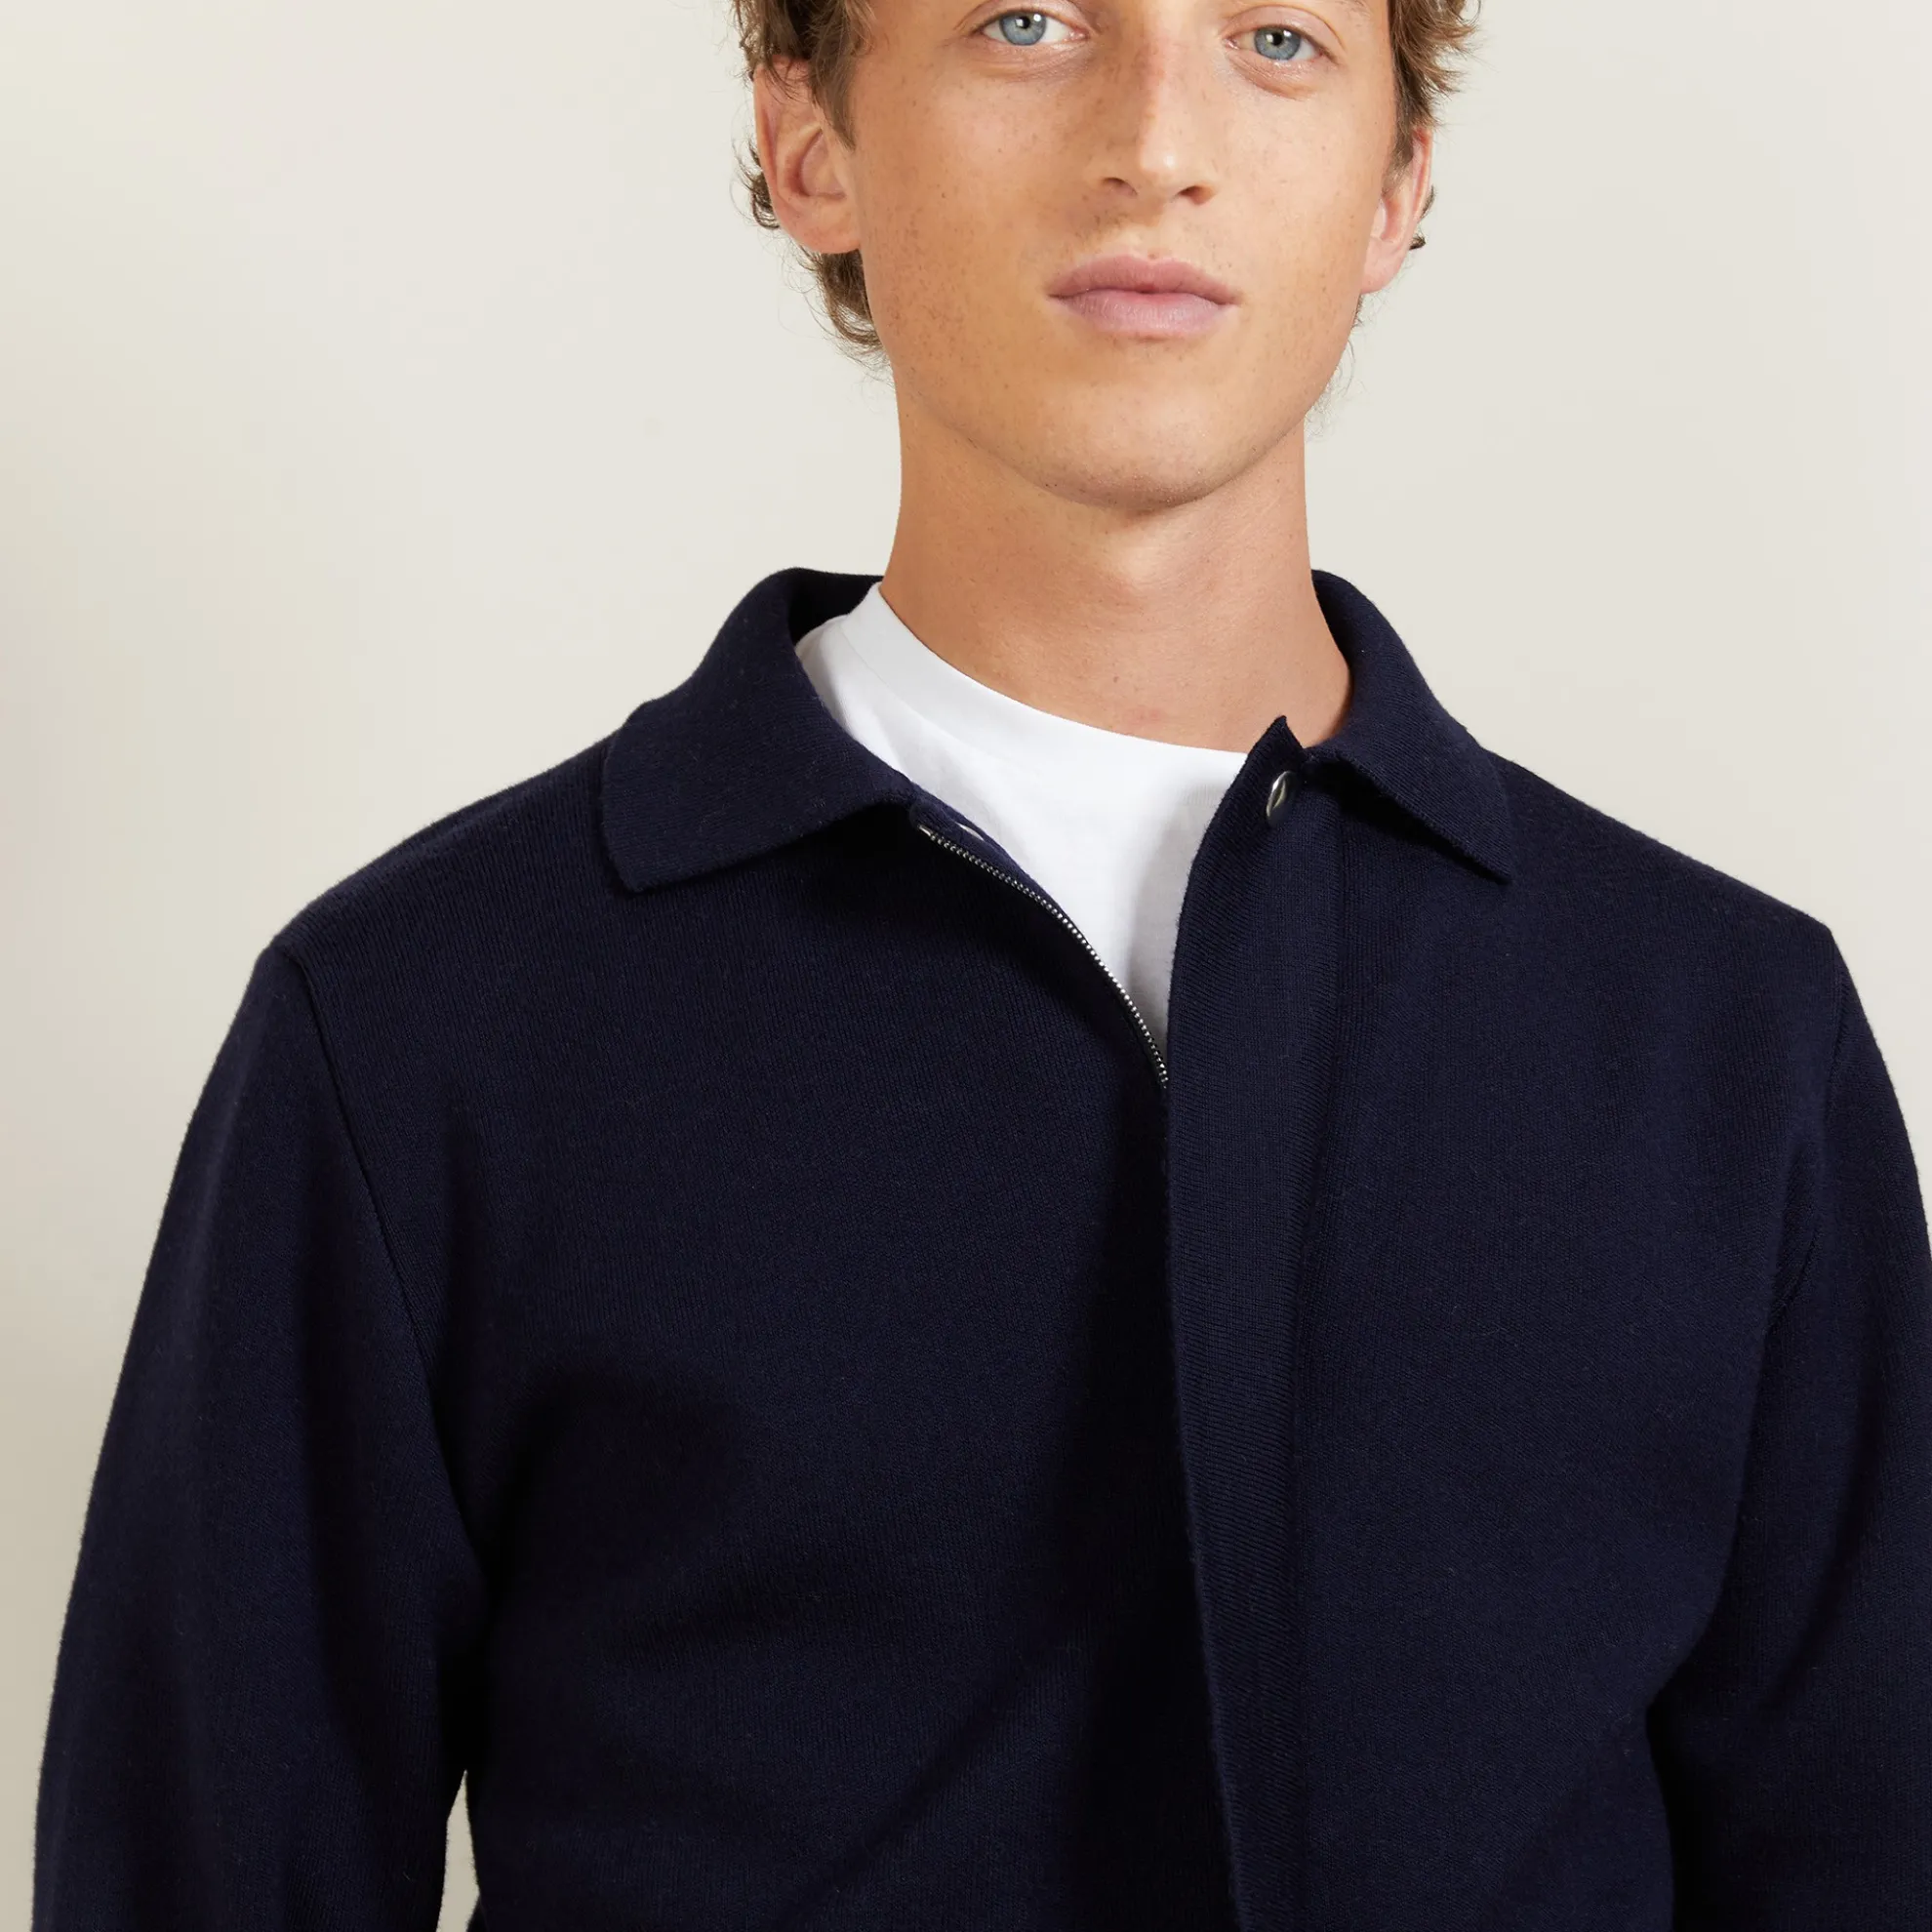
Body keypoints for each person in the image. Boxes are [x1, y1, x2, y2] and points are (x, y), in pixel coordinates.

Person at [33, 0, 1931, 1926]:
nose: (1157, 144)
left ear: (1397, 184)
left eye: (1278, 39)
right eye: (1028, 22)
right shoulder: (422, 1033)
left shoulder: (1728, 1051)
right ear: (812, 143)